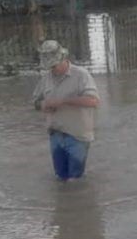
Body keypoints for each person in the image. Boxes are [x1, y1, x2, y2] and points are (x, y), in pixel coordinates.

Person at [32, 40, 100, 181]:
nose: (52, 69)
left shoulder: (81, 75)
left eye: (54, 65)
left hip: (77, 136)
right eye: (49, 67)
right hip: (55, 134)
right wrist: (43, 105)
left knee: (75, 181)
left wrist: (64, 101)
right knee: (60, 179)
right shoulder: (46, 79)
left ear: (64, 59)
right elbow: (35, 103)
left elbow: (94, 101)